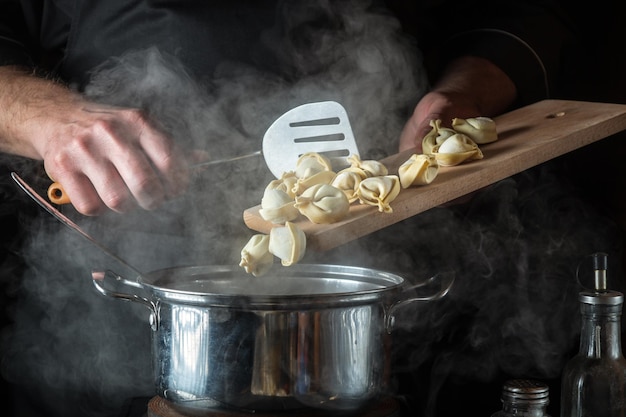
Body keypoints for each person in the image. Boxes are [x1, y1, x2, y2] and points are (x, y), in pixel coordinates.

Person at [2, 1, 622, 417]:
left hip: (389, 282)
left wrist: (462, 96)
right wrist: (49, 119)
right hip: (130, 314)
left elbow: (518, 13)